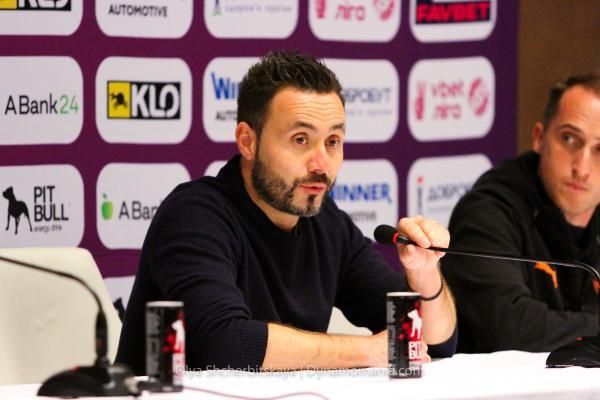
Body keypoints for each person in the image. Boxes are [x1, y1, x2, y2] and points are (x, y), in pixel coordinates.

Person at [116, 50, 457, 374]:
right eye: (300, 140)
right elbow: (223, 342)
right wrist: (366, 350)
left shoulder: (327, 223)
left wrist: (425, 274)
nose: (321, 164)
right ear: (247, 141)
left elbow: (434, 343)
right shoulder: (194, 215)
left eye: (333, 142)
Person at [442, 73, 600, 353]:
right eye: (569, 138)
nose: (582, 168)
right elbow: (510, 329)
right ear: (539, 138)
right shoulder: (487, 212)